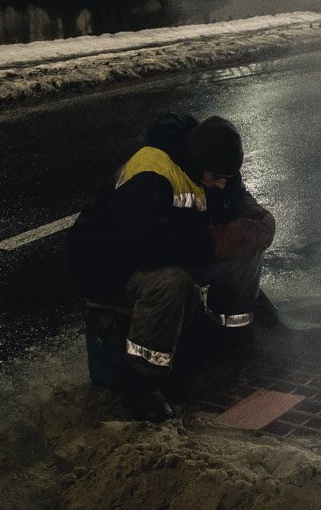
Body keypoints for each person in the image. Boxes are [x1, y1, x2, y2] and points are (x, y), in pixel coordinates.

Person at [68, 113, 276, 422]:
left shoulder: (214, 165)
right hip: (111, 266)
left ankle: (231, 346)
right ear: (197, 163)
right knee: (171, 282)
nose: (221, 183)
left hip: (170, 252)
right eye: (216, 177)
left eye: (226, 177)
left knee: (245, 250)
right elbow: (144, 243)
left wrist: (253, 218)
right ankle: (141, 385)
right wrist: (213, 243)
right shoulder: (151, 169)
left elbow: (234, 196)